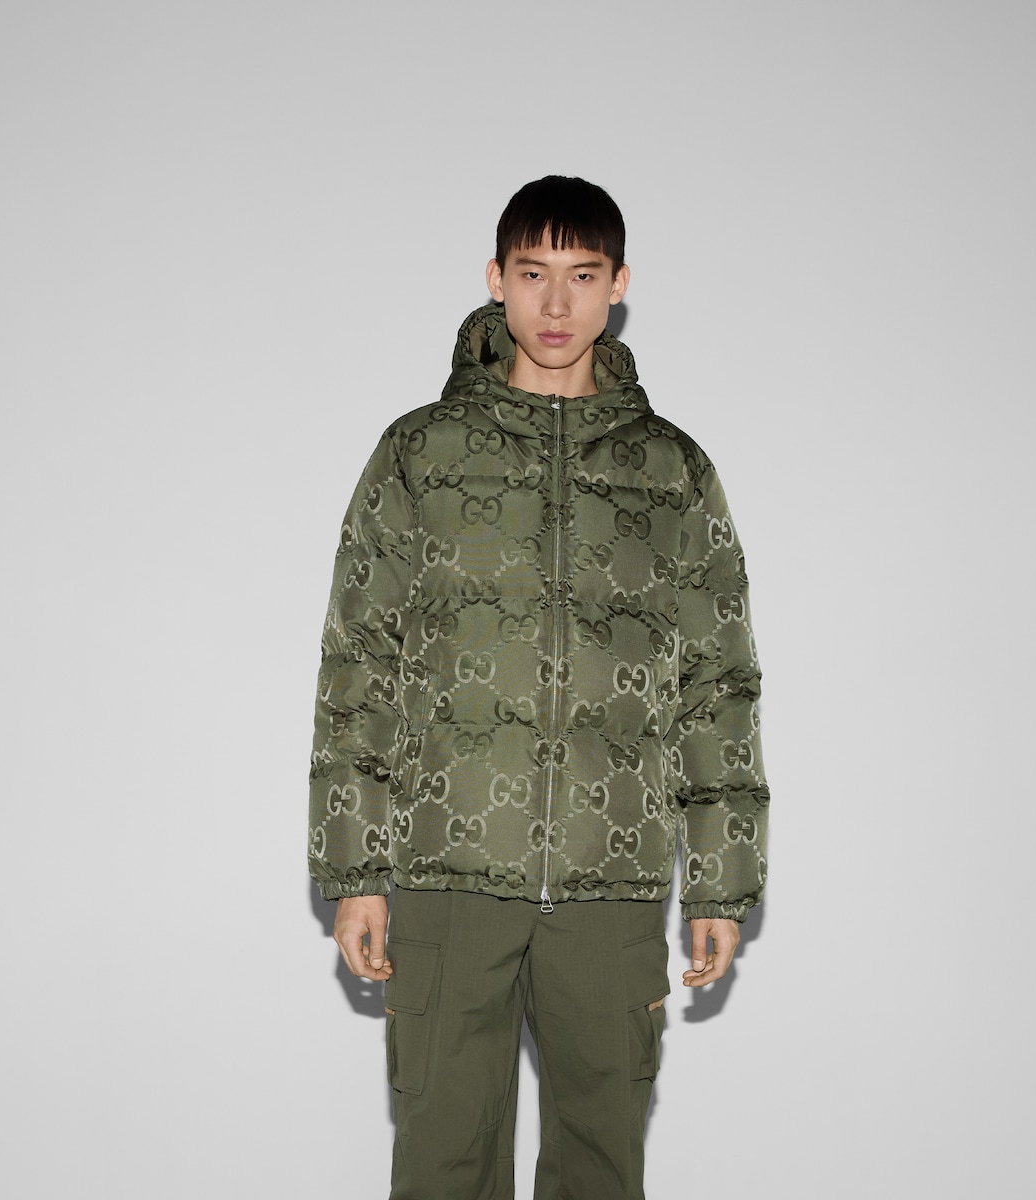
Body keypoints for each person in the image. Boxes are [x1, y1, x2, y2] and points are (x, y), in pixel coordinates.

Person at [308, 175, 769, 1200]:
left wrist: (722, 880)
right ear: (496, 279)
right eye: (533, 274)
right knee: (442, 1164)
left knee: (601, 1169)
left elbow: (719, 684)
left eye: (583, 276)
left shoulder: (672, 471)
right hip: (447, 875)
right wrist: (355, 871)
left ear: (619, 286)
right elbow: (358, 665)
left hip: (613, 882)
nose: (556, 304)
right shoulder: (419, 454)